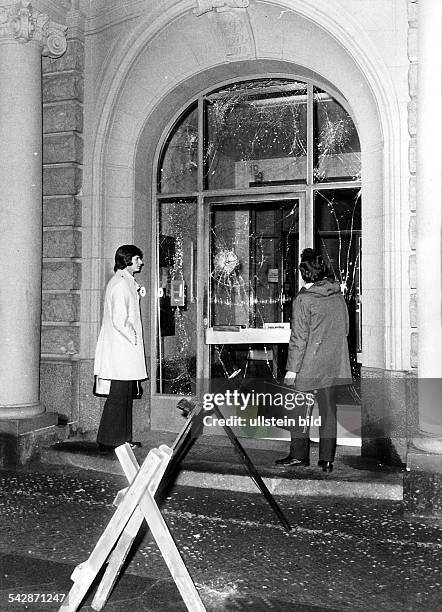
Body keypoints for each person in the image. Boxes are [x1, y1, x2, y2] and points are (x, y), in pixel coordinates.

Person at [275, 248, 352, 472]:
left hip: (308, 364)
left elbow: (299, 338)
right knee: (329, 411)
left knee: (298, 409)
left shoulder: (303, 299)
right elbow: (345, 328)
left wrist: (292, 369)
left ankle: (299, 456)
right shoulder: (337, 295)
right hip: (333, 363)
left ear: (304, 273)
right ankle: (327, 459)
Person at [94, 245, 148, 453]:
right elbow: (119, 319)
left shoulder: (125, 282)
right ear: (127, 260)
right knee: (118, 396)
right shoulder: (120, 285)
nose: (140, 262)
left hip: (124, 350)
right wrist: (132, 336)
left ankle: (122, 439)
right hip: (121, 350)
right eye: (137, 259)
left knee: (124, 395)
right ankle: (109, 440)